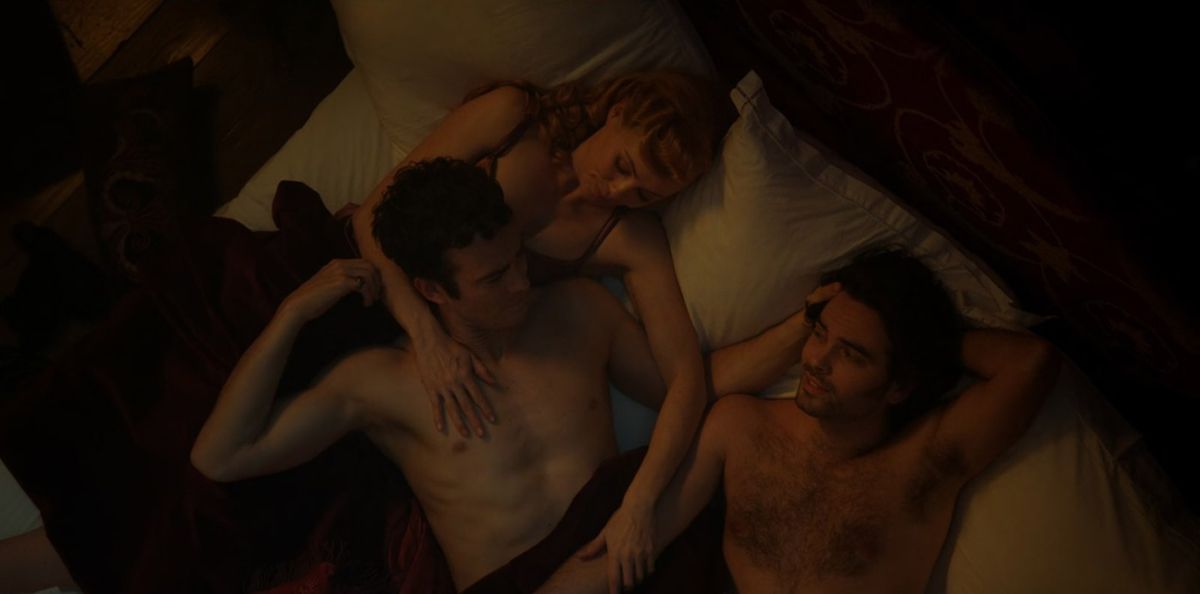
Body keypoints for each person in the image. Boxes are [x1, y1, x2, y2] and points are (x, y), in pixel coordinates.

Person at [189, 158, 725, 592]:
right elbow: (222, 456)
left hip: (623, 561)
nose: (521, 283)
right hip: (515, 585)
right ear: (431, 290)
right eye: (494, 278)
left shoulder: (580, 311)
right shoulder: (381, 382)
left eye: (518, 258)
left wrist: (785, 338)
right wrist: (292, 314)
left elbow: (689, 392)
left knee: (736, 425)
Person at [349, 70, 727, 586]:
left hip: (486, 373)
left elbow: (684, 379)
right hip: (388, 293)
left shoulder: (632, 239)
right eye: (623, 166)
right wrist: (426, 337)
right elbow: (369, 220)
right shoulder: (511, 119)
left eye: (644, 194)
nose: (617, 191)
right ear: (617, 112)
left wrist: (639, 502)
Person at [539, 248, 1062, 594]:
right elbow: (631, 543)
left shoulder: (926, 462)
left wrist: (924, 338)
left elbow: (1031, 364)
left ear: (899, 386)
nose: (816, 361)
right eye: (820, 333)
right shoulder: (741, 426)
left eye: (852, 354)